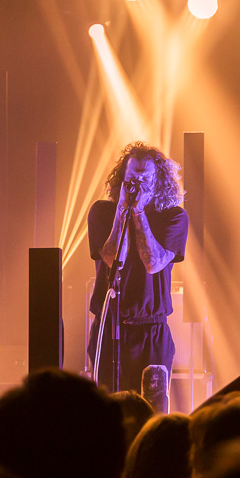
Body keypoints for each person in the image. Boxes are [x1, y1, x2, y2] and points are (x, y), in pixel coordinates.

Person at [87, 142, 188, 408]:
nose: (138, 184)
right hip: (109, 325)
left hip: (150, 331)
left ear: (159, 182)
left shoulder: (173, 217)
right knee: (107, 412)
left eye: (146, 179)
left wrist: (139, 212)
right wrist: (122, 210)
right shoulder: (102, 212)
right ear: (122, 179)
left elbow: (153, 262)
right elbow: (112, 259)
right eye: (132, 178)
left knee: (151, 410)